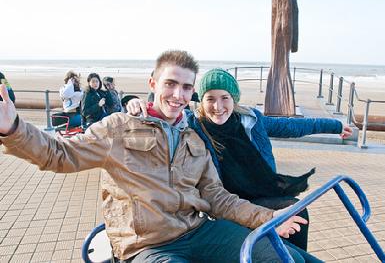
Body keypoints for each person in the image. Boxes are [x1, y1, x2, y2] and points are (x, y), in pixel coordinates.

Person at [0, 50, 321, 263]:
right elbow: (60, 154)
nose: (177, 94)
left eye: (185, 87)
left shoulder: (193, 139)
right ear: (153, 84)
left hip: (198, 231)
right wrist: (13, 128)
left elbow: (217, 198)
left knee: (283, 257)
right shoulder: (120, 128)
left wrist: (268, 218)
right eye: (170, 83)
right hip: (146, 245)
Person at [126, 67, 353, 252]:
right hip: (226, 204)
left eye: (225, 98)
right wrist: (133, 103)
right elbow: (162, 114)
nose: (218, 107)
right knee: (283, 221)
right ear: (201, 101)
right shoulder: (192, 125)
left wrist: (335, 125)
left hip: (263, 194)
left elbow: (294, 126)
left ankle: (292, 257)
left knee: (296, 212)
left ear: (234, 99)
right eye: (210, 99)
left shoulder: (251, 120)